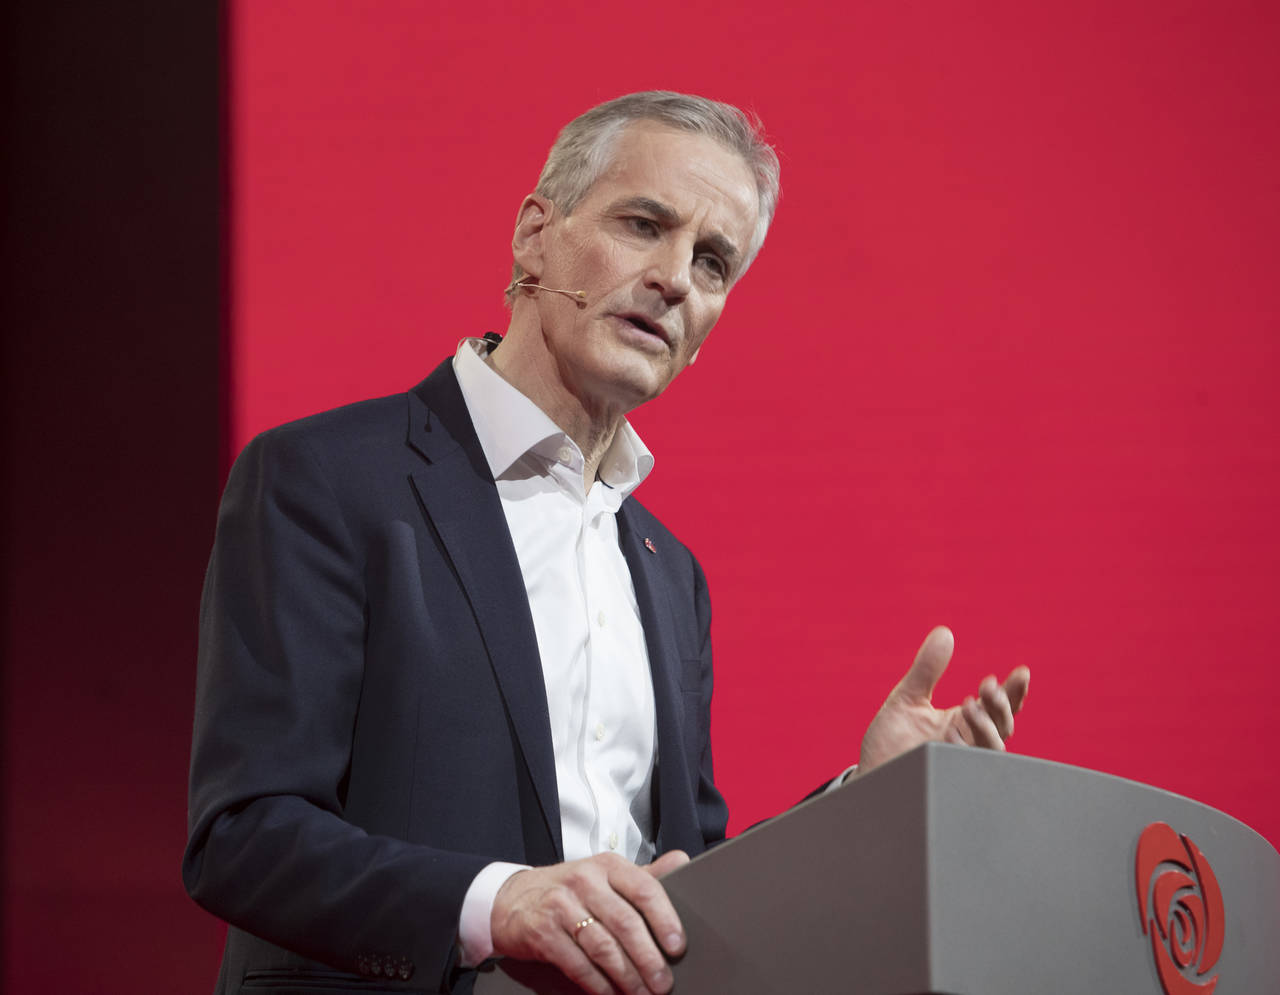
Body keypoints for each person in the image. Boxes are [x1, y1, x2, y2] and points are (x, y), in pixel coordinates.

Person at [184, 91, 1030, 995]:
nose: (674, 278)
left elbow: (686, 885)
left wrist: (863, 797)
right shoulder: (326, 479)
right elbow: (244, 836)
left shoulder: (672, 578)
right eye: (644, 224)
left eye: (713, 263)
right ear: (535, 234)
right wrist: (497, 902)